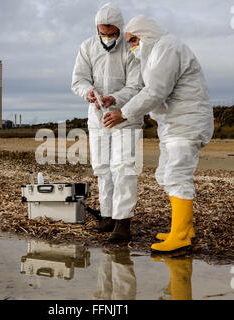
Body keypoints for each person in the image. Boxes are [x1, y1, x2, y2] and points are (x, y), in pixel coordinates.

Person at [103, 15, 214, 252]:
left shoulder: (167, 48)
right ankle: (183, 227)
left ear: (146, 33)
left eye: (134, 40)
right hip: (174, 125)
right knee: (165, 174)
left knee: (176, 175)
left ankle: (181, 235)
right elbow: (149, 90)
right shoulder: (157, 53)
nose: (132, 46)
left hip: (186, 123)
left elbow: (155, 91)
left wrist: (123, 113)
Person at [71, 3, 143, 242]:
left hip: (126, 116)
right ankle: (108, 216)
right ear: (97, 29)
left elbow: (136, 85)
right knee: (102, 167)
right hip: (97, 116)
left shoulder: (131, 48)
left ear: (119, 29)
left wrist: (115, 99)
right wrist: (88, 93)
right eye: (104, 33)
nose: (108, 37)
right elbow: (78, 80)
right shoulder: (87, 47)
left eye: (112, 34)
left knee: (123, 167)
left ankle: (123, 223)